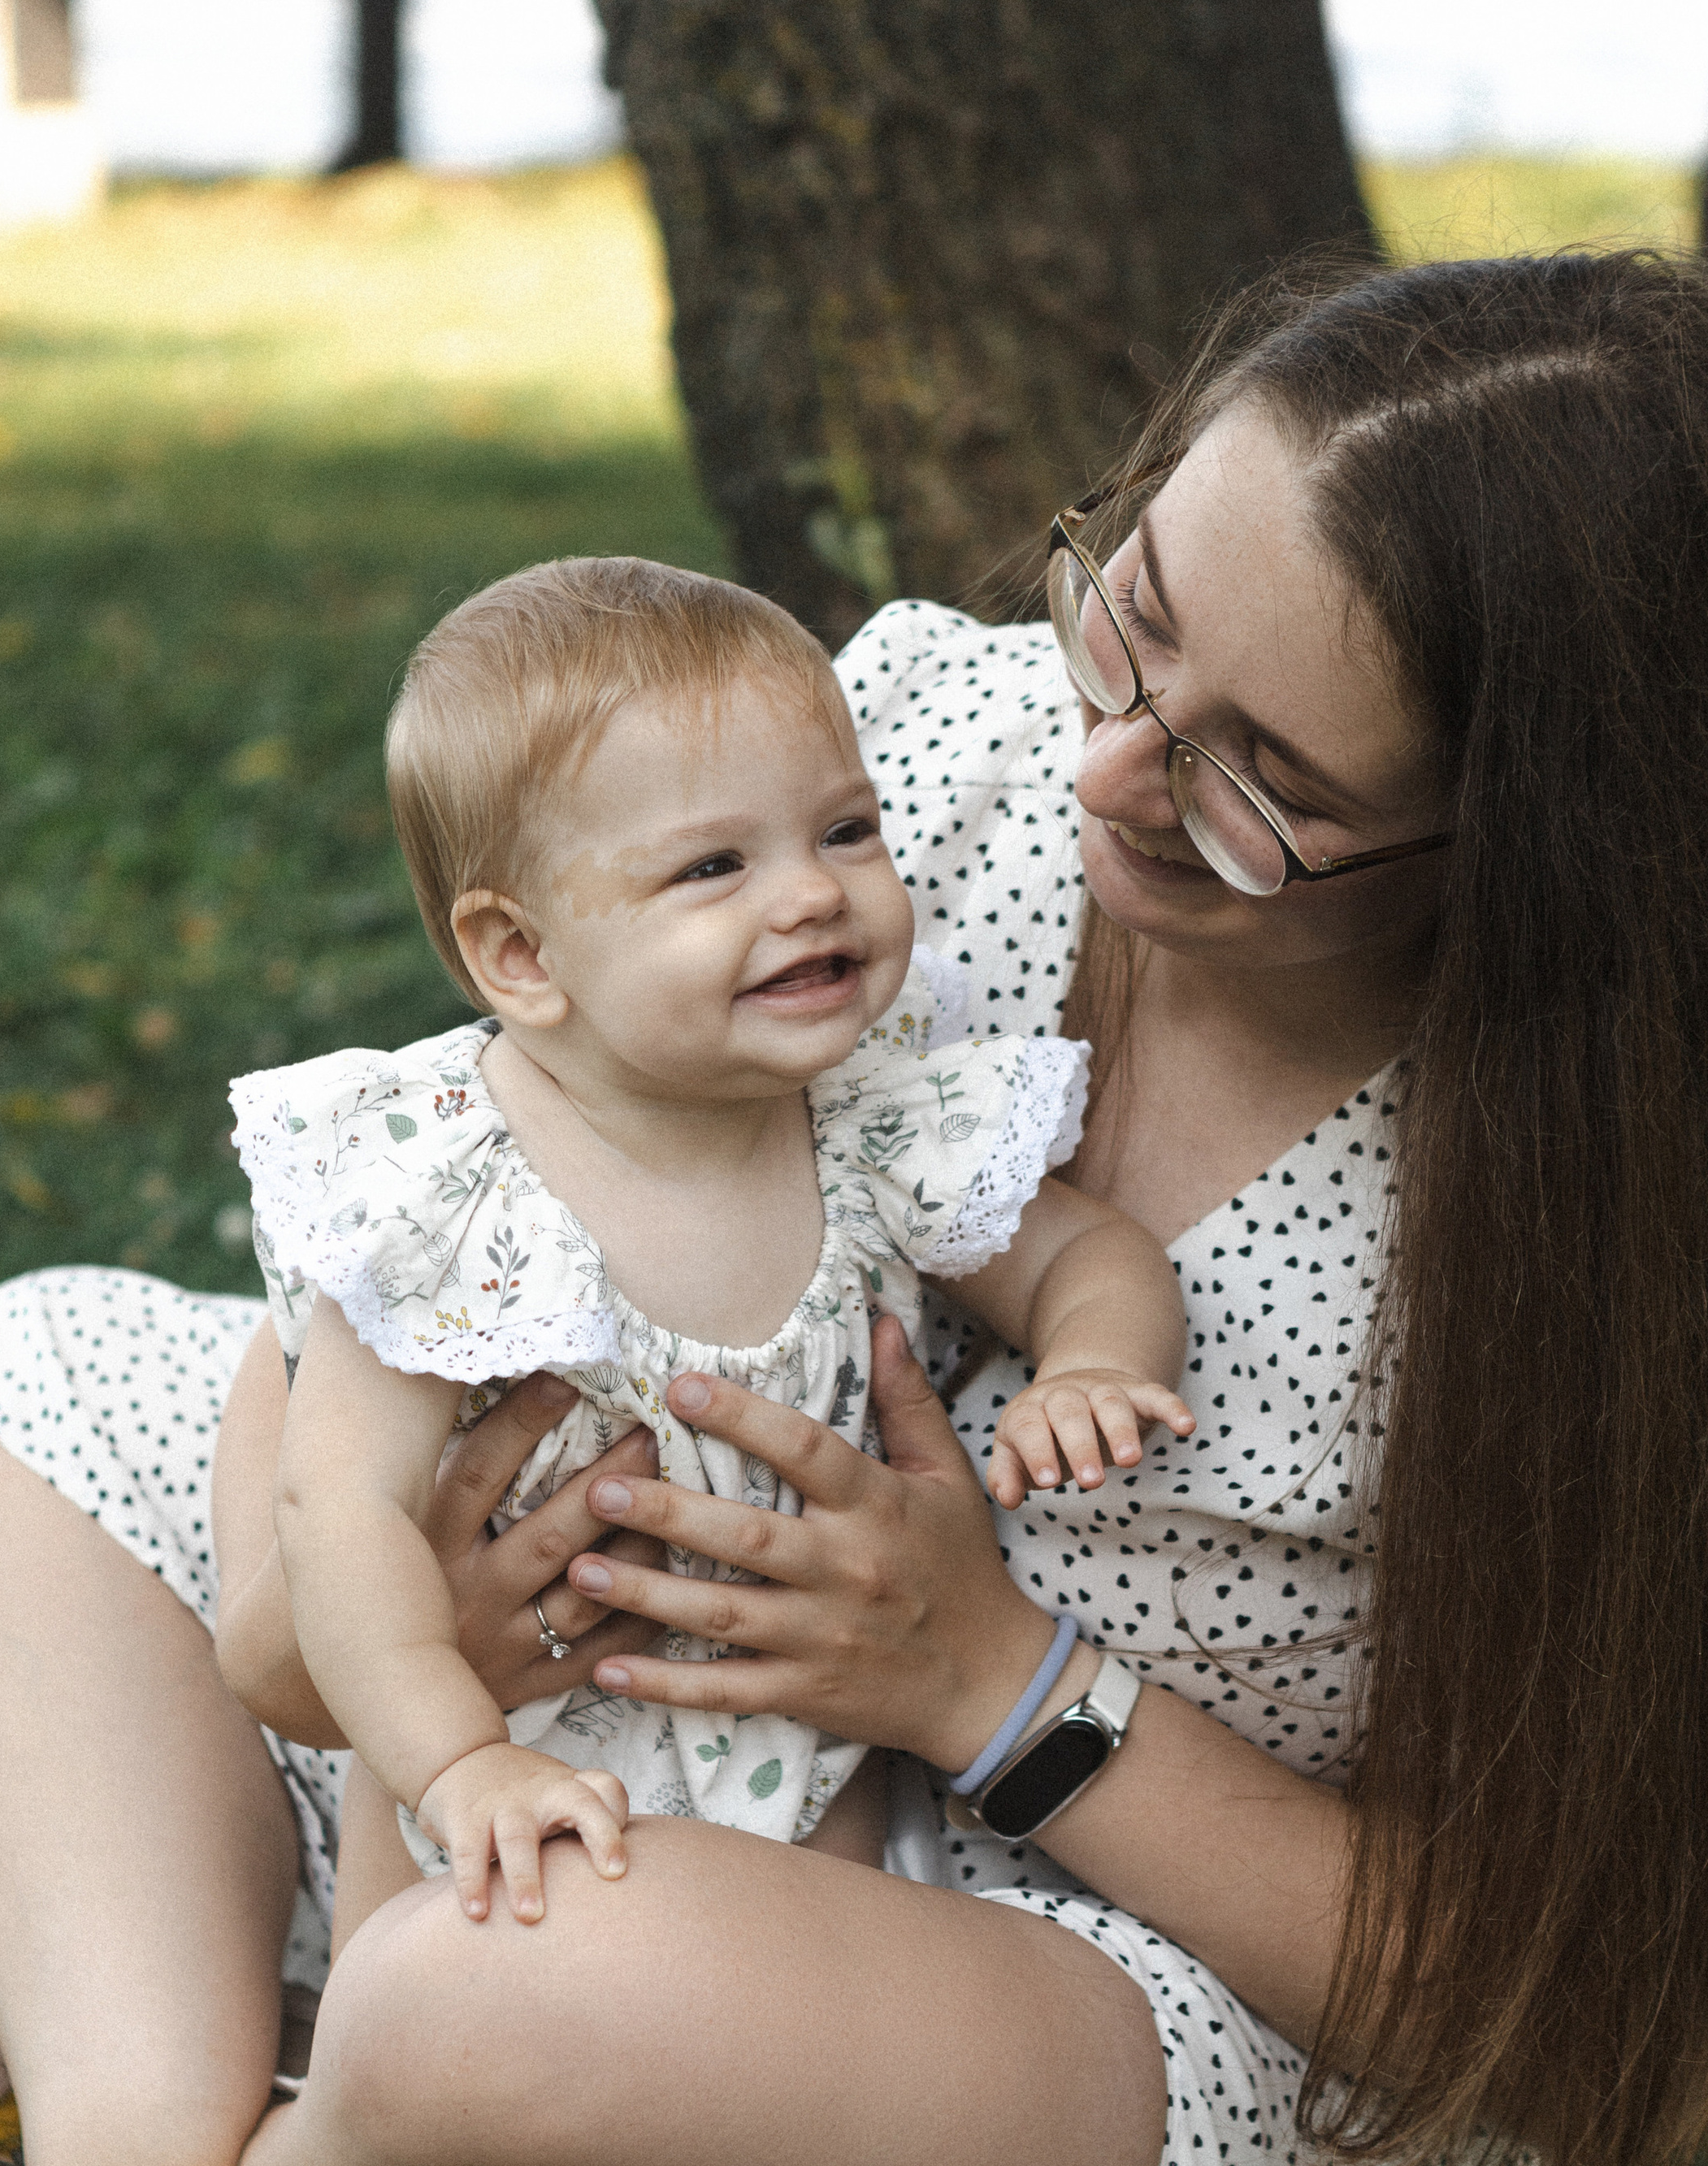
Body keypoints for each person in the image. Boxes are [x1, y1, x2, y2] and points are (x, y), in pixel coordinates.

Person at [0, 250, 1708, 2166]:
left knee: (491, 2002)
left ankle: (323, 2108)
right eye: (1131, 620)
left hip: (1083, 1996)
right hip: (612, 1740)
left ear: (1545, 846)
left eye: (1269, 782)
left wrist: (999, 1688)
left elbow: (1581, 2030)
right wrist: (365, 1619)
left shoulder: (1619, 1247)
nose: (1112, 777)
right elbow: (422, 1234)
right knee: (31, 1387)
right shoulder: (926, 755)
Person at [234, 554, 1189, 1953]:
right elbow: (341, 1514)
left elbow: (1081, 1258)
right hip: (509, 1750)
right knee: (450, 2010)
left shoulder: (866, 1120)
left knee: (814, 2017)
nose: (811, 895)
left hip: (801, 1755)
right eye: (715, 866)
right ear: (521, 956)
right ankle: (354, 2131)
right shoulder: (450, 1188)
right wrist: (454, 1760)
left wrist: (1094, 1363)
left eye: (848, 830)